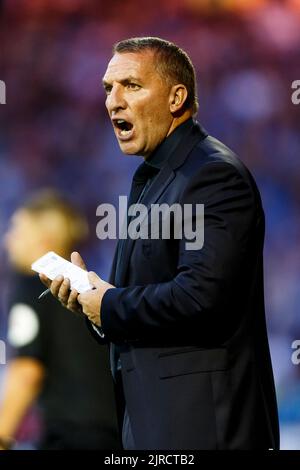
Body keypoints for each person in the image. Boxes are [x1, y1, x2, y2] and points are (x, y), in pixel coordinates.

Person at [40, 37, 280, 450]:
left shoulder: (212, 175)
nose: (113, 101)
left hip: (204, 428)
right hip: (156, 425)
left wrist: (109, 305)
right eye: (107, 89)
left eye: (130, 85)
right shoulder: (152, 179)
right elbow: (137, 300)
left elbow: (202, 297)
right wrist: (93, 301)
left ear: (176, 98)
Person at [0, 191, 120, 450]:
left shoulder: (31, 287)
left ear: (45, 239)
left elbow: (27, 371)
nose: (8, 240)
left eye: (18, 230)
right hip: (117, 435)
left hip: (69, 435)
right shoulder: (94, 292)